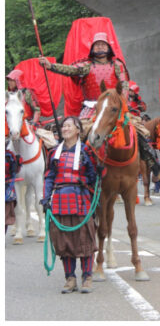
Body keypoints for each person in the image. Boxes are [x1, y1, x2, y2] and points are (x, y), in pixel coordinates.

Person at [42, 115, 100, 293]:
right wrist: (45, 199)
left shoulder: (86, 151)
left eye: (69, 126)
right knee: (64, 240)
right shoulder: (54, 153)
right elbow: (49, 177)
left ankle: (87, 277)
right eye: (63, 126)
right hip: (60, 199)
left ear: (78, 130)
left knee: (85, 239)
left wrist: (95, 169)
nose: (65, 128)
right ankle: (70, 278)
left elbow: (93, 178)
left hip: (81, 198)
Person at [40, 31, 128, 123]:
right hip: (92, 107)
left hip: (115, 105)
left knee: (136, 128)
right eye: (97, 45)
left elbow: (124, 84)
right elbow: (70, 69)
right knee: (83, 129)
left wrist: (122, 102)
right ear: (92, 49)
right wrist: (51, 66)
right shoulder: (86, 65)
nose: (100, 47)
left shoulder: (117, 64)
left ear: (108, 47)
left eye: (103, 44)